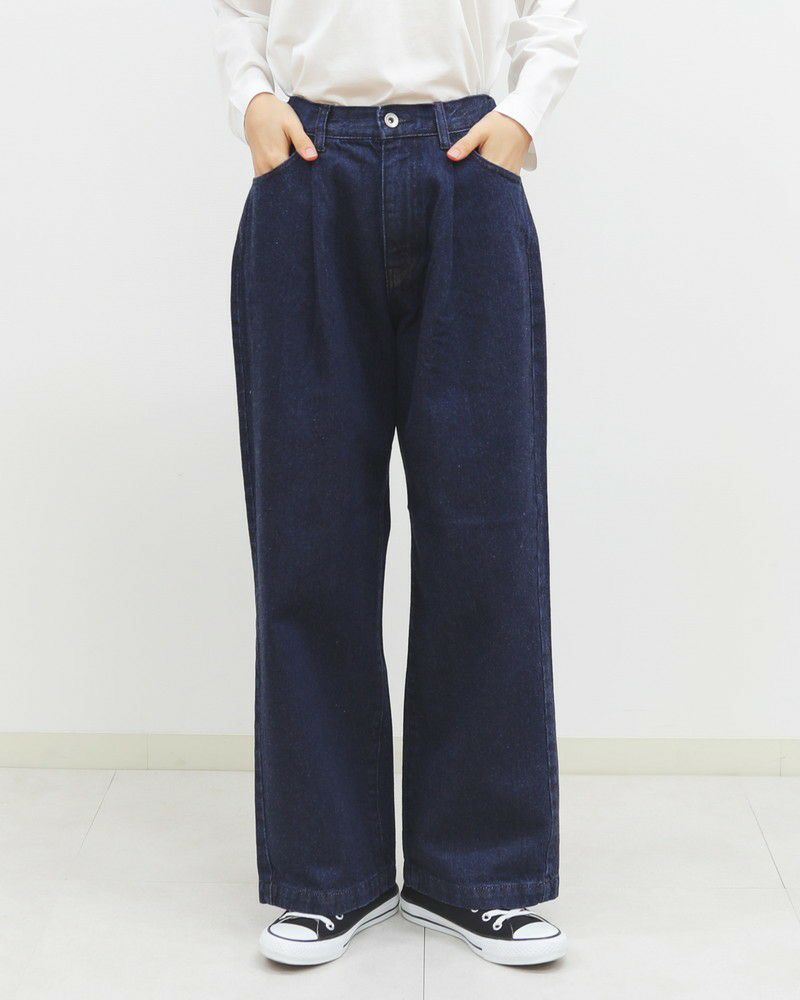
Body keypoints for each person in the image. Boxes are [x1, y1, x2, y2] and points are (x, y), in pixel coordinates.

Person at [212, 0, 584, 968]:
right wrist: (251, 99)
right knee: (310, 536)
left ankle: (478, 874)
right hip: (306, 167)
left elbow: (553, 13)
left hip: (467, 164)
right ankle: (327, 875)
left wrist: (523, 113)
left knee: (486, 535)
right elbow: (236, 10)